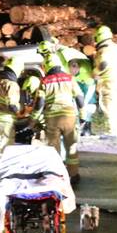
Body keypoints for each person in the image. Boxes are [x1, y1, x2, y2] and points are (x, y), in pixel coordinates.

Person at [37, 41, 84, 185]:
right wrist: (82, 117)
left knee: (53, 148)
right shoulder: (69, 78)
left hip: (52, 119)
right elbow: (79, 97)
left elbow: (40, 102)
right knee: (71, 146)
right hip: (69, 117)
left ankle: (56, 175)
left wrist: (34, 119)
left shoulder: (44, 81)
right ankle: (74, 174)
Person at [92, 25, 117, 139]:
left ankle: (111, 131)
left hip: (109, 80)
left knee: (109, 105)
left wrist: (95, 72)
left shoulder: (104, 50)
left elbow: (104, 64)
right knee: (116, 104)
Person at [68, 59, 97, 135]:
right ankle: (78, 128)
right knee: (77, 105)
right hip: (78, 83)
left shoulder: (85, 71)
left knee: (88, 106)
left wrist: (85, 102)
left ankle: (86, 129)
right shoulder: (71, 70)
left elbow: (91, 88)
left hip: (87, 85)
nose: (71, 72)